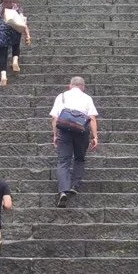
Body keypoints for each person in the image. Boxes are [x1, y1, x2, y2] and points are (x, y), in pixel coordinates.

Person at [48, 76, 100, 207]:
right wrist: (95, 137)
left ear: (70, 86)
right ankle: (74, 185)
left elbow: (54, 118)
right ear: (83, 87)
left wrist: (55, 135)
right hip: (81, 131)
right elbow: (92, 118)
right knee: (79, 158)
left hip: (64, 131)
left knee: (63, 161)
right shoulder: (87, 98)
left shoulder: (61, 96)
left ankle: (63, 191)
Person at [0, 0, 31, 88]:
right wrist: (27, 35)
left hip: (2, 34)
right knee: (15, 46)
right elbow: (23, 22)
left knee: (3, 55)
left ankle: (3, 77)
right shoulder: (16, 8)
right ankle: (15, 60)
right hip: (15, 32)